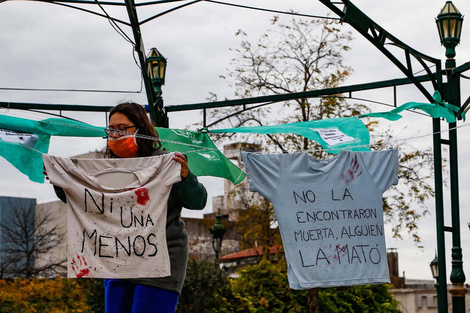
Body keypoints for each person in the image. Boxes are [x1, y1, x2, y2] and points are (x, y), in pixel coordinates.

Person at [50, 101, 208, 313]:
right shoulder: (101, 168)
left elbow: (198, 201)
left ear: (140, 130)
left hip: (160, 266)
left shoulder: (166, 163)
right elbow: (86, 202)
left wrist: (186, 178)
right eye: (111, 130)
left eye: (122, 129)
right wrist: (62, 185)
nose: (114, 135)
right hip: (117, 264)